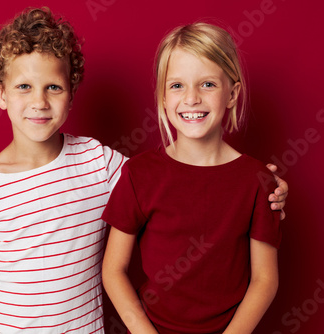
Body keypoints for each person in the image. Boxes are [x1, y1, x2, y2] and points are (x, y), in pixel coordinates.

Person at [0, 8, 287, 333]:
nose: (39, 101)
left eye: (53, 87)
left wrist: (270, 191)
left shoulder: (99, 162)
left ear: (71, 93)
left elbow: (177, 182)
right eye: (24, 86)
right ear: (1, 93)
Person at [102, 22, 282, 334]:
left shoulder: (259, 181)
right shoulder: (139, 173)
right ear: (161, 97)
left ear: (232, 93)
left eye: (208, 84)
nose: (192, 98)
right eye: (177, 86)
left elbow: (265, 280)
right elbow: (113, 270)